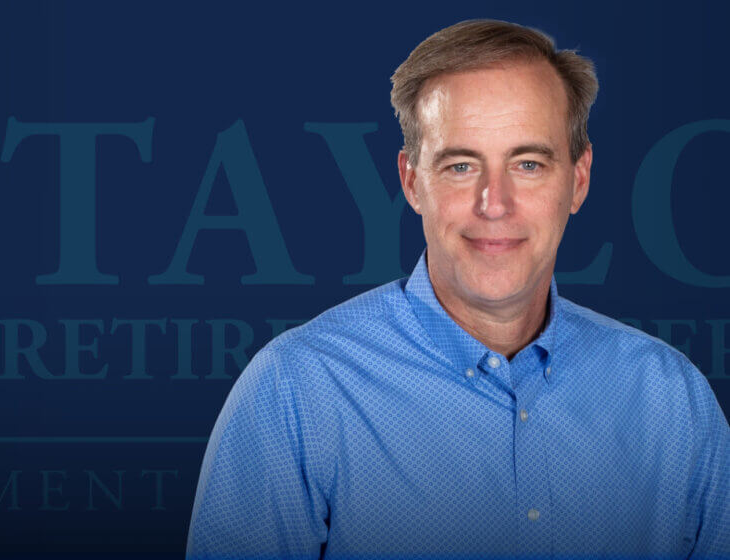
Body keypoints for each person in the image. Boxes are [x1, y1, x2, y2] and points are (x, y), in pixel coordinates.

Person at [186, 19, 730, 559]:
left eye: (528, 163)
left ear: (579, 180)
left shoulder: (670, 401)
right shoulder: (298, 392)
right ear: (412, 181)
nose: (495, 203)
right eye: (461, 165)